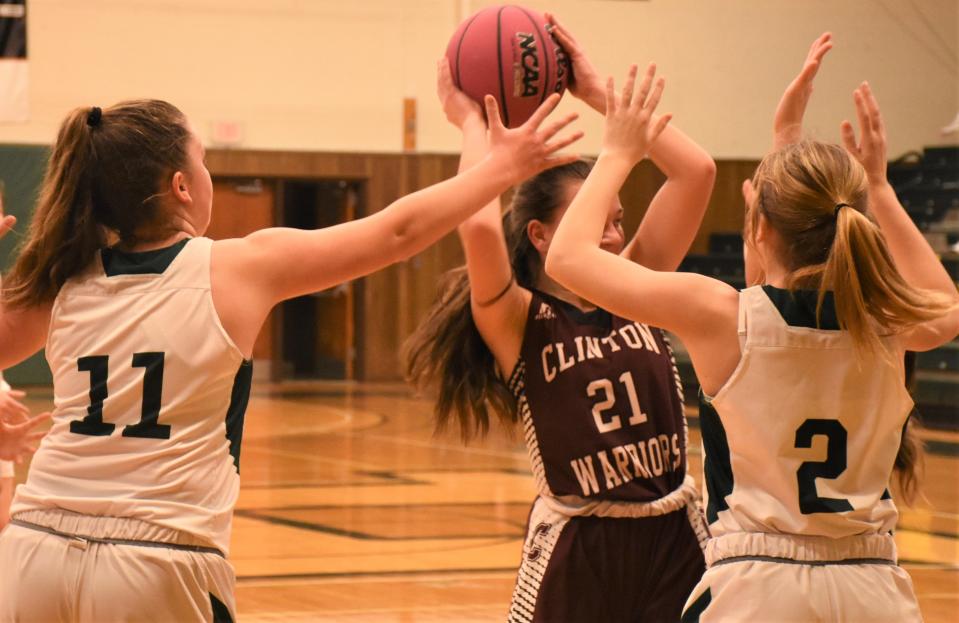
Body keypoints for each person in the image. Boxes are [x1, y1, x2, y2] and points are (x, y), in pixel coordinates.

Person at [0, 76, 581, 621]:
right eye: (201, 161)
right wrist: (502, 166)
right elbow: (397, 232)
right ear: (180, 186)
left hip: (32, 551)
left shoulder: (59, 281)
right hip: (157, 560)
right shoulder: (237, 267)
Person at [545, 36, 958, 622]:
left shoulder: (723, 317)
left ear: (759, 230)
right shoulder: (887, 322)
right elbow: (947, 303)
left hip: (757, 590)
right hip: (873, 590)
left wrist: (616, 151)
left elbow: (566, 260)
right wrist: (881, 189)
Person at [406, 17, 716, 622]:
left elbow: (697, 173)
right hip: (579, 543)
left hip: (674, 535)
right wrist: (472, 125)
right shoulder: (518, 318)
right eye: (598, 214)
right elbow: (474, 222)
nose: (614, 231)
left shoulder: (639, 287)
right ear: (541, 235)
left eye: (618, 217)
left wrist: (596, 92)